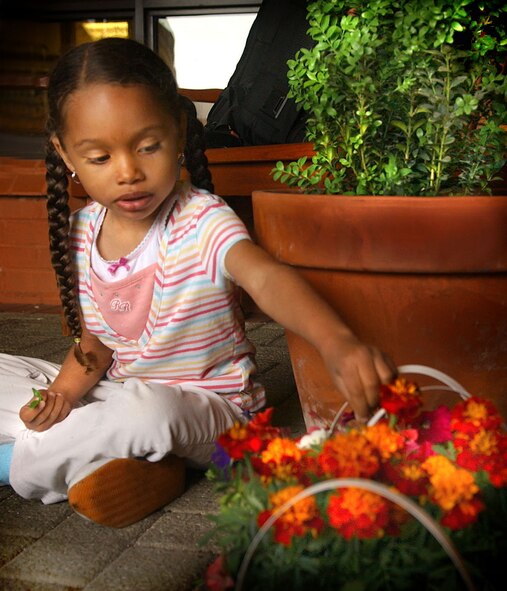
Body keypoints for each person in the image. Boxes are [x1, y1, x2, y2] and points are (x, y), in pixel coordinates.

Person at [0, 38, 396, 528]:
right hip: (126, 391)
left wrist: (337, 342)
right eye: (100, 158)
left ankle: (21, 460)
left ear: (179, 130)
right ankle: (130, 464)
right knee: (13, 375)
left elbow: (266, 277)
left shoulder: (203, 219)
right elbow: (96, 346)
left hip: (215, 415)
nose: (128, 172)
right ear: (65, 154)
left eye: (148, 147)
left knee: (147, 416)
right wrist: (61, 396)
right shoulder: (83, 231)